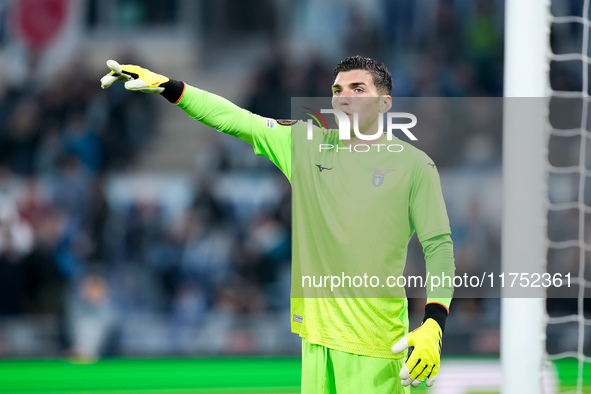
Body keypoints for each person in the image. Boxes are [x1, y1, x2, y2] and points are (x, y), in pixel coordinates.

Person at [101, 55, 455, 393]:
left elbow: (438, 248)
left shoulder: (414, 167)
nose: (344, 97)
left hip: (378, 348)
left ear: (384, 104)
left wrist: (433, 325)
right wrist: (170, 87)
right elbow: (236, 119)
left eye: (358, 89)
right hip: (316, 343)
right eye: (337, 90)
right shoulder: (305, 143)